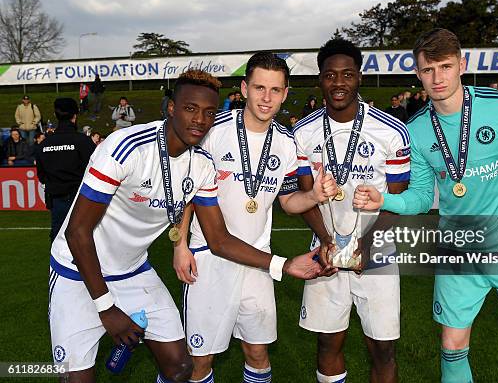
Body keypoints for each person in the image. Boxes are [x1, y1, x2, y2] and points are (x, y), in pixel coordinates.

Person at [48, 70, 322, 383]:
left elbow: (219, 240)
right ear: (171, 108)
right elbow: (76, 232)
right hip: (76, 271)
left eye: (209, 112)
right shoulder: (126, 147)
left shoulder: (203, 165)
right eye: (190, 109)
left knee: (181, 368)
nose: (200, 120)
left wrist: (284, 265)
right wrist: (106, 307)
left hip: (133, 272)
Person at [354, 28, 498, 383]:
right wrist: (384, 199)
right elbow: (423, 198)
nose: (437, 78)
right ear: (417, 73)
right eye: (428, 70)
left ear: (461, 65)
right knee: (452, 348)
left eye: (445, 66)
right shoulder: (418, 129)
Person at [173, 52, 337, 383]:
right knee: (201, 360)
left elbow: (289, 202)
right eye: (259, 87)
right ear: (245, 88)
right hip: (208, 257)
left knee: (258, 352)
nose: (266, 98)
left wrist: (314, 196)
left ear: (285, 93)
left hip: (258, 260)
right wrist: (180, 244)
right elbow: (187, 190)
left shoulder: (287, 144)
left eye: (275, 90)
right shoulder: (213, 129)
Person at [294, 38, 411, 383]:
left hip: (377, 253)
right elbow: (304, 195)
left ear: (359, 77)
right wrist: (327, 240)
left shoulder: (392, 131)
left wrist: (366, 245)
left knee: (383, 349)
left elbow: (397, 201)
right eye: (331, 75)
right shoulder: (302, 132)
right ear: (320, 80)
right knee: (328, 343)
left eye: (347, 74)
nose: (339, 83)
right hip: (324, 248)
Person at [35, 98, 96, 242]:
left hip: (57, 199)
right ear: (74, 116)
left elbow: (42, 176)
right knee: (85, 238)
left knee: (58, 239)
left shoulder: (44, 144)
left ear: (56, 116)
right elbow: (96, 171)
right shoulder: (83, 141)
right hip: (82, 199)